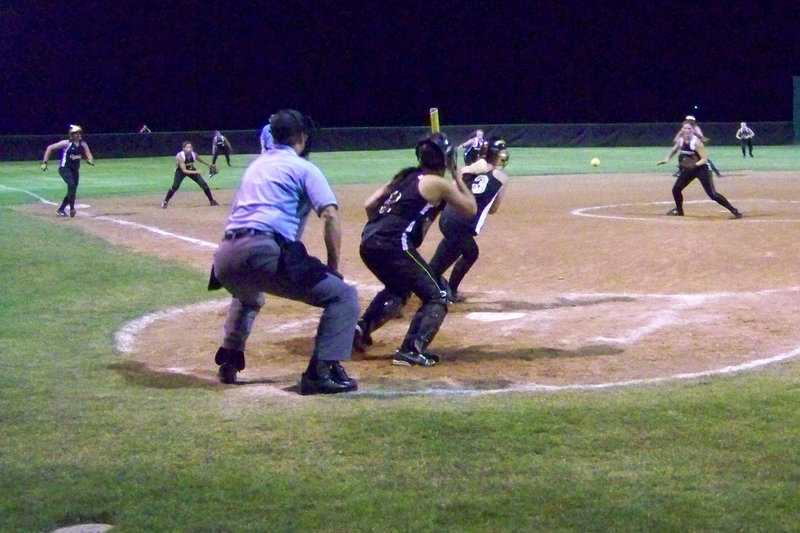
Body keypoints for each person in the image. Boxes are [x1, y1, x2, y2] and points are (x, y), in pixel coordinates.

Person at [209, 109, 360, 394]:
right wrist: (333, 267)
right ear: (302, 137)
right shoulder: (304, 168)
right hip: (262, 250)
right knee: (344, 296)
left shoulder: (256, 166)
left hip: (225, 258)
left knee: (248, 295)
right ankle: (319, 372)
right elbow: (329, 215)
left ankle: (229, 358)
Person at [353, 132, 477, 366]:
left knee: (399, 289)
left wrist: (384, 226)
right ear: (446, 159)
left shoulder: (406, 176)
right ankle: (410, 349)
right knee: (437, 296)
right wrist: (456, 173)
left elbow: (370, 205)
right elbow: (470, 209)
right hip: (393, 244)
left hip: (369, 240)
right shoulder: (437, 183)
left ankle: (360, 330)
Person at [428, 138, 510, 304]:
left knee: (469, 251)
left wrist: (470, 170)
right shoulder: (501, 178)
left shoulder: (471, 170)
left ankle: (449, 288)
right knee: (435, 269)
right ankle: (401, 295)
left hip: (448, 217)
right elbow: (493, 210)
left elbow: (453, 181)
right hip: (461, 224)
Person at [658, 120, 742, 219]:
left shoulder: (696, 142)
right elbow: (675, 149)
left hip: (702, 169)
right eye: (684, 128)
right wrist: (667, 159)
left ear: (693, 130)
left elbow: (704, 159)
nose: (686, 130)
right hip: (690, 170)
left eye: (689, 128)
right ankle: (679, 211)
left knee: (712, 194)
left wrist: (693, 165)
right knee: (676, 189)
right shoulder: (681, 140)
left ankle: (735, 211)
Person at [40, 124, 94, 218]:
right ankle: (72, 209)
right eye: (76, 133)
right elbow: (50, 148)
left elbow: (88, 153)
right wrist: (44, 162)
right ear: (72, 135)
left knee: (72, 189)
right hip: (64, 169)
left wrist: (90, 159)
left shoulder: (83, 144)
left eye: (79, 133)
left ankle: (61, 209)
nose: (79, 135)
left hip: (75, 170)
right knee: (71, 185)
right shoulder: (66, 143)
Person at [160, 141, 219, 208]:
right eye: (187, 147)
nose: (189, 148)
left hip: (191, 169)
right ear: (183, 148)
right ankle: (165, 201)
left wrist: (208, 165)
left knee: (203, 184)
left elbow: (200, 160)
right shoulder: (180, 156)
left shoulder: (193, 154)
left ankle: (212, 201)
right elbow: (184, 170)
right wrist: (197, 172)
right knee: (175, 187)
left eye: (190, 147)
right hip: (180, 172)